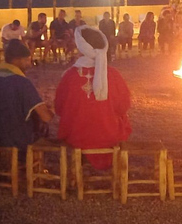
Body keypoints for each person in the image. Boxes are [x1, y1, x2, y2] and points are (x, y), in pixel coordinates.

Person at [55, 26, 131, 169]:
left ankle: (81, 159)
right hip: (109, 136)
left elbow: (59, 109)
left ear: (81, 47)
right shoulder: (113, 74)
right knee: (122, 119)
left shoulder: (69, 76)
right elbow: (124, 106)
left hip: (77, 136)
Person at [0, 41, 53, 152]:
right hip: (15, 141)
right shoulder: (22, 82)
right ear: (19, 60)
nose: (29, 65)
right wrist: (53, 110)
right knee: (41, 124)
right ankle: (26, 162)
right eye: (27, 60)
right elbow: (46, 117)